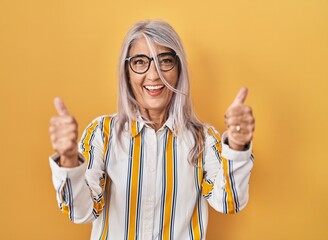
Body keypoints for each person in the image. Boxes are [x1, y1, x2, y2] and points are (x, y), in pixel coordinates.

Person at [49, 20, 255, 239]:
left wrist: (237, 147)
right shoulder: (101, 133)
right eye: (140, 62)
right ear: (127, 73)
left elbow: (228, 202)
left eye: (165, 61)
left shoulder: (203, 139)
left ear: (179, 70)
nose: (154, 75)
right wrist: (69, 161)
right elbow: (80, 211)